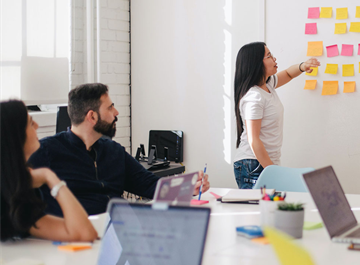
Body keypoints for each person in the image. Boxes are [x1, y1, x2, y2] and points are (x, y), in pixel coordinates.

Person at [29, 83, 210, 216]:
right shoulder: (46, 152)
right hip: (78, 241)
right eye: (110, 107)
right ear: (92, 116)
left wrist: (187, 186)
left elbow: (151, 186)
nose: (116, 112)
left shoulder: (114, 151)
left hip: (122, 231)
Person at [0, 100, 97, 242]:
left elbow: (84, 233)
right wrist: (50, 178)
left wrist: (49, 176)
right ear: (16, 136)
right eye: (31, 123)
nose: (37, 126)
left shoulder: (17, 190)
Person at [233, 42, 320, 189]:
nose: (274, 59)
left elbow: (288, 73)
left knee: (270, 209)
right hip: (253, 163)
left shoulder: (268, 86)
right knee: (258, 210)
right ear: (256, 63)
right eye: (269, 56)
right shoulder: (254, 97)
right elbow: (253, 140)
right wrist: (273, 171)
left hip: (264, 162)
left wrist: (302, 66)